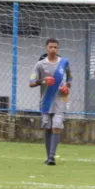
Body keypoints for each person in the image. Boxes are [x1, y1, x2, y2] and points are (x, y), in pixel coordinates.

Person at [28, 38, 72, 166]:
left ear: (58, 49)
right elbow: (31, 83)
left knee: (56, 126)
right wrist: (43, 81)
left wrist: (67, 87)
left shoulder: (64, 63)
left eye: (55, 47)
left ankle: (52, 157)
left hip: (61, 100)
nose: (53, 49)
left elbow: (70, 78)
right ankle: (48, 157)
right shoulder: (40, 65)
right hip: (46, 101)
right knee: (47, 128)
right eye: (51, 47)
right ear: (46, 48)